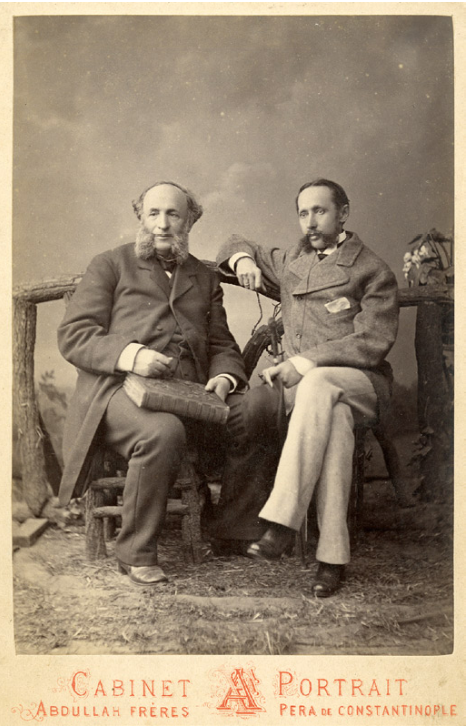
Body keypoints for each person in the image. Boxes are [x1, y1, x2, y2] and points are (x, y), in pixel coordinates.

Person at [57, 181, 284, 585]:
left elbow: (221, 344)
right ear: (141, 218)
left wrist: (223, 376)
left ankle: (233, 529)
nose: (162, 224)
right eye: (153, 214)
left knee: (257, 406)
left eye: (173, 214)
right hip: (120, 392)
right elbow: (75, 335)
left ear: (189, 221)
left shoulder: (204, 276)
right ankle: (135, 552)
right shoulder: (110, 265)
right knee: (163, 431)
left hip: (190, 395)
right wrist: (133, 356)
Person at [216, 179, 399, 597]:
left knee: (318, 381)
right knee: (333, 423)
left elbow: (372, 342)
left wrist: (303, 363)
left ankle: (282, 520)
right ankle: (332, 560)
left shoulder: (372, 270)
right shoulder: (293, 261)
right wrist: (244, 260)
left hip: (363, 386)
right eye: (303, 213)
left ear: (343, 214)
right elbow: (233, 242)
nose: (310, 222)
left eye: (320, 211)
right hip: (320, 399)